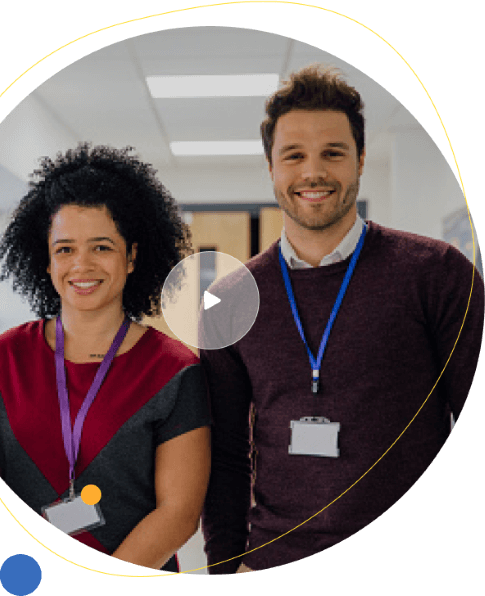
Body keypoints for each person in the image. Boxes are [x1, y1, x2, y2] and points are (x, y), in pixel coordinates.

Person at [200, 64, 484, 574]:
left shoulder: (436, 273)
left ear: (360, 160)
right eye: (294, 156)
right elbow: (223, 457)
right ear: (271, 167)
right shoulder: (229, 299)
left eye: (333, 153)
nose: (314, 172)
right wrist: (225, 565)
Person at [0, 143, 211, 573]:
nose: (82, 265)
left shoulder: (174, 371)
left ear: (132, 256)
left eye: (101, 247)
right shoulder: (0, 361)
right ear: (46, 259)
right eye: (65, 249)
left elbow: (179, 513)